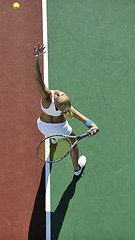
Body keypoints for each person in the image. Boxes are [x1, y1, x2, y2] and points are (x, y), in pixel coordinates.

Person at [33, 42, 99, 176]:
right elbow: (85, 120)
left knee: (53, 135)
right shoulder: (68, 110)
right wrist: (93, 126)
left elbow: (38, 79)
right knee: (73, 143)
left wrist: (36, 59)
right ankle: (77, 170)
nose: (58, 92)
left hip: (43, 127)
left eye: (59, 95)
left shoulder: (47, 98)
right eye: (60, 94)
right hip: (60, 130)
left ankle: (52, 139)